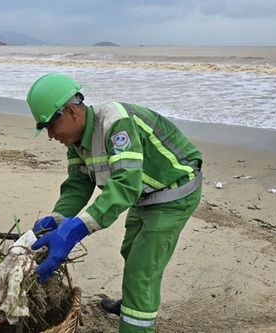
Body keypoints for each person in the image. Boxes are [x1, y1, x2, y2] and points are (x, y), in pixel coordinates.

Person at [26, 73, 203, 333]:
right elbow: (78, 185)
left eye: (51, 126)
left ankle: (136, 321)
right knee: (130, 250)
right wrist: (57, 219)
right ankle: (133, 301)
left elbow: (125, 184)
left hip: (175, 190)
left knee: (142, 270)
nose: (51, 135)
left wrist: (76, 230)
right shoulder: (75, 143)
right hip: (146, 194)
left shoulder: (115, 124)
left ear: (72, 111)